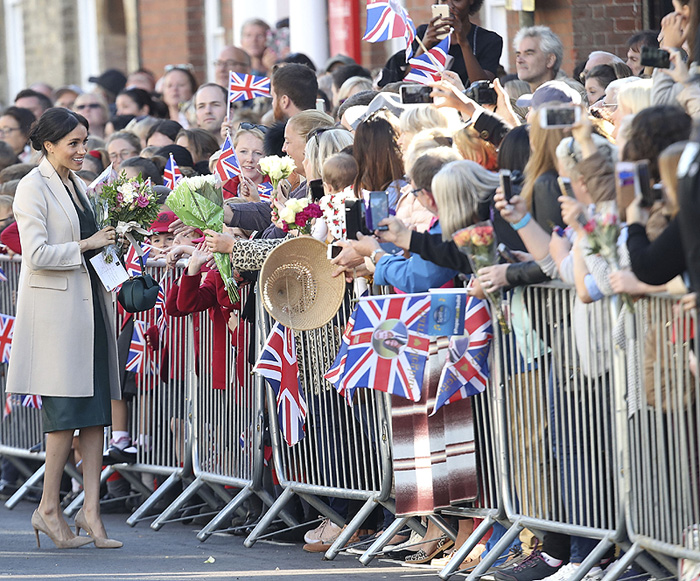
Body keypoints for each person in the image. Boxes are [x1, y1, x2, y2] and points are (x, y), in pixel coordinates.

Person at [6, 107, 121, 549]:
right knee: (64, 418)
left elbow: (95, 247)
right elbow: (36, 254)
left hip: (90, 307)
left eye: (84, 140)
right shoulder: (30, 189)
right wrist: (88, 243)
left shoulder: (79, 187)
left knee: (95, 417)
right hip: (56, 318)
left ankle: (91, 514)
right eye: (73, 142)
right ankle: (48, 509)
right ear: (48, 144)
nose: (82, 150)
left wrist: (116, 255)